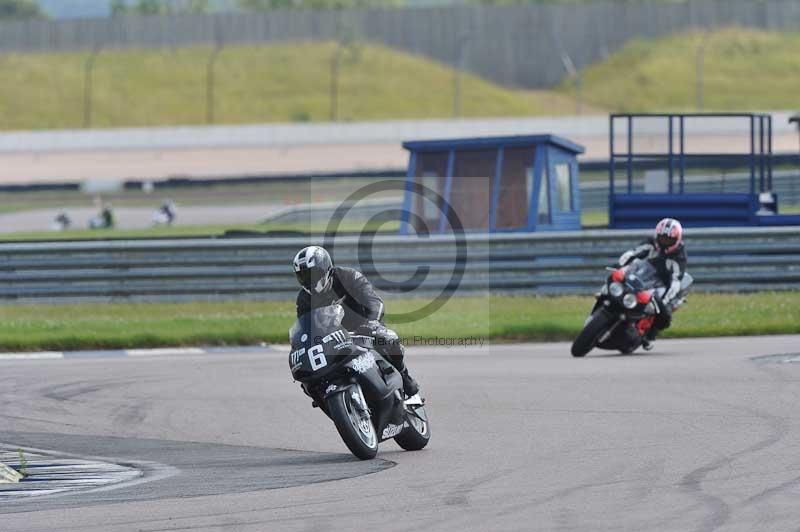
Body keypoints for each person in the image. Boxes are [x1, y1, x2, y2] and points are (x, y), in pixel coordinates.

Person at [293, 245, 420, 397]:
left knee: (388, 339)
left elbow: (374, 301)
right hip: (333, 339)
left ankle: (405, 377)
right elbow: (305, 327)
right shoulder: (304, 299)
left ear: (325, 268)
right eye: (304, 276)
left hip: (364, 328)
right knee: (308, 375)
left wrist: (372, 322)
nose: (309, 280)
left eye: (313, 273)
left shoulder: (348, 276)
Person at [618, 218, 687, 349]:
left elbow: (676, 281)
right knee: (619, 279)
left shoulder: (679, 256)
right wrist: (621, 263)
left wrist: (666, 300)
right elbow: (634, 252)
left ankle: (648, 335)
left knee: (663, 315)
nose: (665, 243)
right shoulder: (651, 242)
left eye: (669, 240)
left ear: (677, 240)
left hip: (662, 284)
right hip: (645, 272)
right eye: (662, 238)